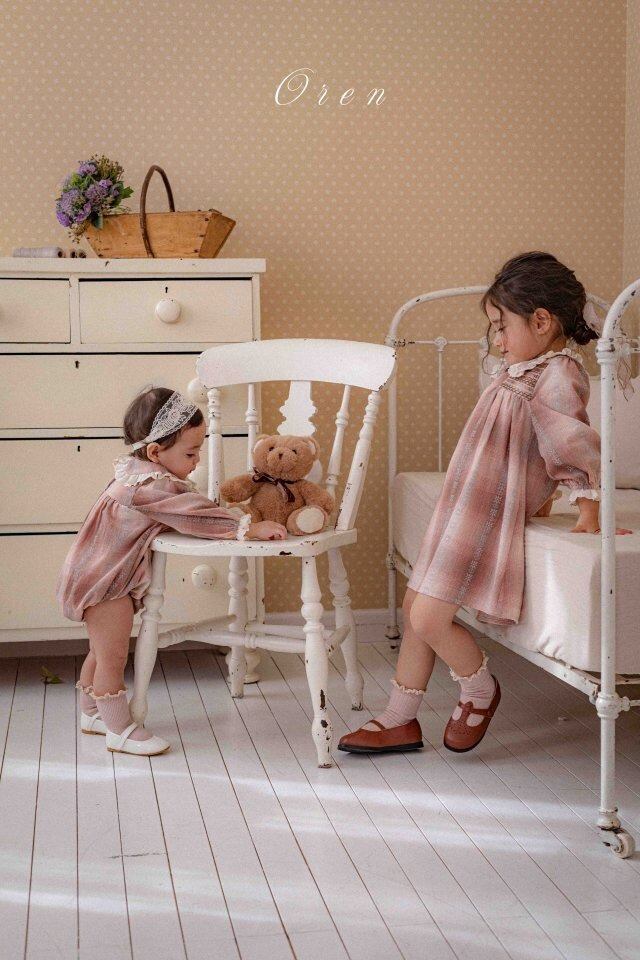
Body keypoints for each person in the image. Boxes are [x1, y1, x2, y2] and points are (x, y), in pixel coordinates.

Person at [339, 251, 633, 757]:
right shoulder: (521, 367)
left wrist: (588, 508)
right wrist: (542, 495)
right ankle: (400, 719)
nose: (497, 341)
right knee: (414, 608)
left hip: (486, 513)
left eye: (501, 327)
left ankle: (479, 689)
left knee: (429, 617)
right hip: (464, 502)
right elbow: (522, 441)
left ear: (541, 322)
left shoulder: (558, 373)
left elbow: (570, 442)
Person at [56, 387, 286, 756]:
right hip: (103, 582)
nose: (197, 460)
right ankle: (119, 728)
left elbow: (184, 506)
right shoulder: (151, 485)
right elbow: (194, 514)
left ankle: (92, 712)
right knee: (113, 655)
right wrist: (246, 526)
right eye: (190, 453)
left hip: (95, 573)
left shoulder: (138, 476)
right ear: (154, 453)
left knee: (100, 649)